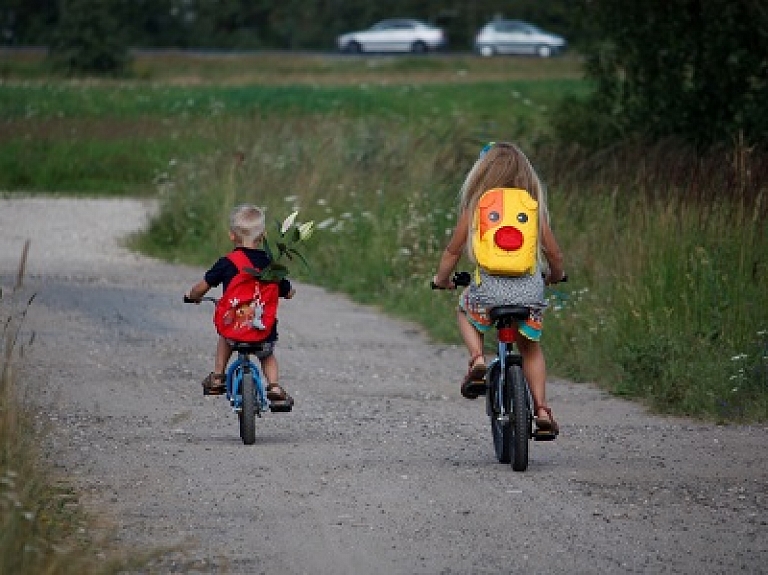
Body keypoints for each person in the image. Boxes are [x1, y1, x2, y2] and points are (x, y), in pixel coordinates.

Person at [431, 142, 565, 433]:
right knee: (530, 348)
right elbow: (553, 253)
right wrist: (556, 275)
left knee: (465, 310)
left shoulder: (478, 206)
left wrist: (442, 280)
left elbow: (453, 251)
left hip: (488, 290)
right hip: (529, 291)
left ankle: (477, 359)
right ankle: (541, 409)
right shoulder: (531, 207)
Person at [186, 204, 295, 408]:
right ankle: (274, 386)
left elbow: (202, 287)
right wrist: (289, 292)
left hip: (235, 328)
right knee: (267, 354)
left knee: (225, 337)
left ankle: (218, 377)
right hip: (262, 328)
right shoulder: (271, 265)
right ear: (263, 236)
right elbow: (286, 290)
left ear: (232, 236)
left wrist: (193, 296)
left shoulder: (227, 262)